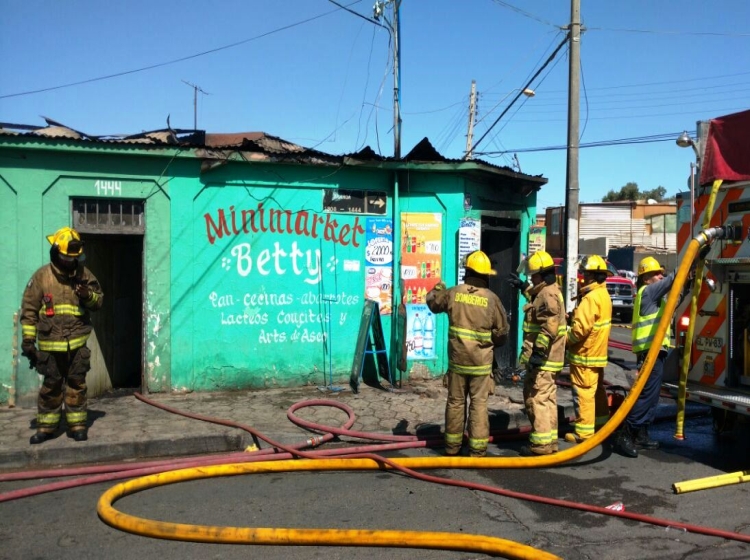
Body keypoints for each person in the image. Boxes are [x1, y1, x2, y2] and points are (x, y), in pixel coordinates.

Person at [20, 227, 103, 444]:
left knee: (77, 385)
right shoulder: (42, 277)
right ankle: (46, 428)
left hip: (77, 344)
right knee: (51, 387)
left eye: (73, 258)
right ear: (56, 253)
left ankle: (77, 426)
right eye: (66, 257)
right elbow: (29, 309)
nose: (70, 261)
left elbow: (99, 301)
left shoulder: (84, 275)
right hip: (49, 346)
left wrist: (88, 295)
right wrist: (28, 340)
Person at [426, 250, 509, 457]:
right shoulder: (492, 299)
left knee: (455, 402)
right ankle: (477, 449)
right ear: (485, 275)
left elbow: (433, 304)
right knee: (479, 404)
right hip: (481, 365)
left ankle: (452, 447)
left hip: (457, 362)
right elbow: (502, 333)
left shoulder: (454, 293)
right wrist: (491, 342)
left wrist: (436, 289)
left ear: (467, 271)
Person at [613, 256, 675, 458]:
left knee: (653, 394)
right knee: (647, 395)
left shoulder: (652, 295)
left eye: (661, 273)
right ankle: (627, 434)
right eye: (656, 273)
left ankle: (641, 433)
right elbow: (673, 280)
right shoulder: (648, 291)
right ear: (646, 278)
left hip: (655, 351)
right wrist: (691, 261)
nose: (660, 275)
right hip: (650, 351)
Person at [510, 250, 567, 456]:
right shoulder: (549, 291)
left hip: (544, 360)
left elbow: (548, 326)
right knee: (547, 399)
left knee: (536, 399)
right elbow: (537, 308)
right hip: (551, 360)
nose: (531, 278)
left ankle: (541, 445)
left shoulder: (547, 294)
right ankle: (549, 441)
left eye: (533, 275)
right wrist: (524, 288)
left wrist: (537, 354)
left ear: (542, 275)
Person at [564, 255, 613, 444]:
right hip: (597, 355)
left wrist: (565, 340)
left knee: (583, 393)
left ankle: (584, 434)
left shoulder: (590, 299)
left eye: (584, 273)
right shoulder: (603, 295)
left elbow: (580, 330)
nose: (582, 276)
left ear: (592, 276)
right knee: (597, 392)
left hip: (584, 356)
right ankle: (601, 426)